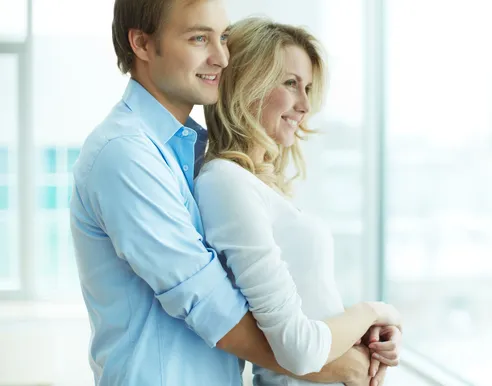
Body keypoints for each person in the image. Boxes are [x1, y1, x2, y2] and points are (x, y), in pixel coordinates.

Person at [70, 0, 397, 385]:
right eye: (198, 38)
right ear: (141, 44)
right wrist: (336, 361)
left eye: (223, 38)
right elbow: (212, 309)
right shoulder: (126, 154)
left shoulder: (186, 152)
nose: (222, 58)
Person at [195, 17, 402, 386]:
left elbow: (311, 306)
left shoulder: (258, 186)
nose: (305, 105)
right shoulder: (226, 182)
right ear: (247, 84)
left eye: (307, 87)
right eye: (291, 84)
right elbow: (298, 348)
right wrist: (373, 311)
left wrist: (372, 333)